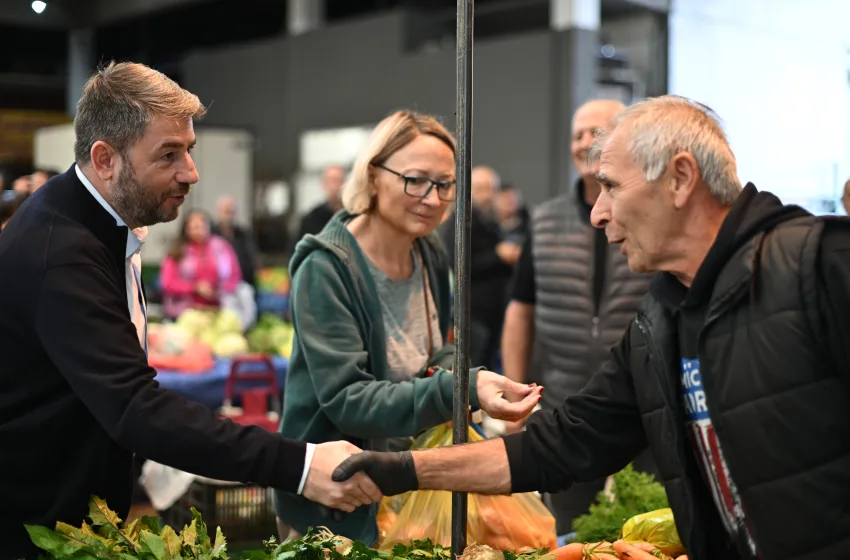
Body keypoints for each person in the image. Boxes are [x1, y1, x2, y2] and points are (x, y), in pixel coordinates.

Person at [332, 95, 850, 560]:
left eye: (610, 187)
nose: (598, 214)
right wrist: (404, 470)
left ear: (680, 178)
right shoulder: (658, 327)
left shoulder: (817, 266)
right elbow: (558, 446)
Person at [0, 61, 381, 560]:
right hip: (34, 530)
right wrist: (302, 466)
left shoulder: (90, 221)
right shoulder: (63, 252)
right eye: (168, 155)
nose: (191, 173)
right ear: (105, 158)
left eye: (190, 150)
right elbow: (135, 408)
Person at [274, 110, 542, 545]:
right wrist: (461, 390)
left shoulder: (429, 253)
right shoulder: (326, 269)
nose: (432, 199)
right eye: (415, 180)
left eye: (445, 185)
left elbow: (436, 348)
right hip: (337, 501)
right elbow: (348, 400)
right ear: (374, 175)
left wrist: (453, 372)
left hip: (404, 488)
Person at [501, 99, 655, 535]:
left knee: (648, 528)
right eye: (577, 134)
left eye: (598, 132)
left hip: (645, 404)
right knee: (567, 529)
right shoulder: (544, 221)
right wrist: (516, 402)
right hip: (565, 405)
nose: (585, 142)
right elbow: (520, 310)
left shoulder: (648, 214)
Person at [441, 166, 520, 369]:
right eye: (480, 189)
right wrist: (498, 256)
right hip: (471, 312)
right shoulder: (460, 222)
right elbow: (458, 263)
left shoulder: (490, 221)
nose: (486, 195)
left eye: (490, 189)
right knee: (472, 368)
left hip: (494, 310)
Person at [160, 208, 243, 320]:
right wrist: (195, 288)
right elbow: (167, 283)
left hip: (220, 308)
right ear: (186, 229)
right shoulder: (177, 251)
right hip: (185, 311)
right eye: (195, 227)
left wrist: (218, 290)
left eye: (202, 226)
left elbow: (235, 276)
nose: (199, 230)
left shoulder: (222, 247)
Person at [213, 194, 260, 288]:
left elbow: (252, 261)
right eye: (226, 212)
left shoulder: (244, 235)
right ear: (218, 213)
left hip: (242, 284)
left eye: (232, 212)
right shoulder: (212, 235)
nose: (229, 216)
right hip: (217, 286)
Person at [297, 164, 347, 240]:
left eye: (338, 180)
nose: (335, 186)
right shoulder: (311, 219)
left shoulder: (353, 216)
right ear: (324, 184)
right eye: (331, 181)